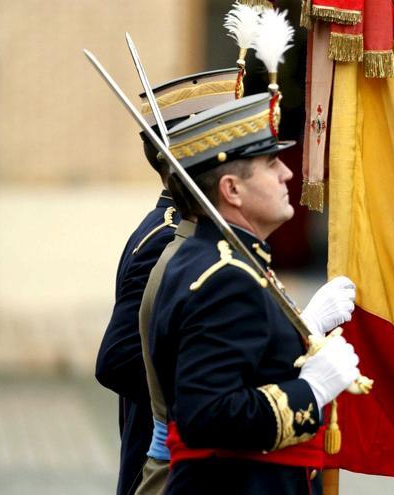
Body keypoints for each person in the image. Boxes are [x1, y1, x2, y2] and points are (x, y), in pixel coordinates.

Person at [148, 92, 361, 494]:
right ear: (232, 190)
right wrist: (310, 392)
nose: (286, 174)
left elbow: (249, 360)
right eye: (271, 164)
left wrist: (306, 327)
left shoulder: (225, 260)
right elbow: (207, 413)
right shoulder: (226, 275)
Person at [95, 67, 245, 495]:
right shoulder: (168, 235)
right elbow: (117, 359)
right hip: (164, 467)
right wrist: (208, 395)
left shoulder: (190, 228)